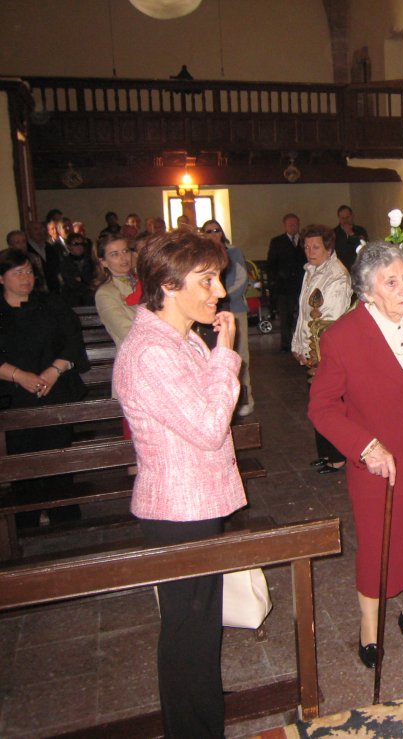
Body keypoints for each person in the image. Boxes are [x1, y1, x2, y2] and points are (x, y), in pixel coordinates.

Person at [114, 230, 245, 738]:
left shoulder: (180, 336)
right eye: (207, 280)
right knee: (189, 633)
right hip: (177, 510)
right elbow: (209, 427)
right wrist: (225, 352)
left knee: (199, 627)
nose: (220, 291)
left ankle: (201, 719)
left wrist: (213, 352)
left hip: (195, 504)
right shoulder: (151, 352)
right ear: (168, 285)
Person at [308, 241, 403, 669]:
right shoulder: (341, 337)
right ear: (367, 291)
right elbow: (321, 407)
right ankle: (369, 628)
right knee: (378, 546)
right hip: (377, 462)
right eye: (391, 282)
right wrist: (364, 445)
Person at [0, 248, 89, 524]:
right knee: (21, 461)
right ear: (1, 278)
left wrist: (53, 371)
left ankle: (64, 516)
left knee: (58, 458)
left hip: (55, 390)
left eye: (29, 271)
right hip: (12, 396)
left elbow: (73, 340)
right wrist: (19, 376)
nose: (26, 278)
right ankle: (25, 520)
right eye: (18, 273)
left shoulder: (51, 303)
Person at [291, 224, 352, 474]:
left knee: (330, 404)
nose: (310, 251)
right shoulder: (312, 271)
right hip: (312, 349)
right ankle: (325, 453)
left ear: (329, 248)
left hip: (326, 351)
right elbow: (304, 314)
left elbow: (329, 320)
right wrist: (298, 344)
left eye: (315, 247)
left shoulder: (337, 276)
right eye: (306, 247)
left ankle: (338, 456)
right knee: (317, 403)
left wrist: (315, 352)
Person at [202, 220, 254, 416]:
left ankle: (245, 399)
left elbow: (242, 279)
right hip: (208, 310)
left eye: (217, 230)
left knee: (240, 354)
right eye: (209, 231)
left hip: (234, 307)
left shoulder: (234, 252)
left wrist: (222, 296)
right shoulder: (200, 256)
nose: (213, 234)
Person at [266, 213, 307, 351]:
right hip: (284, 286)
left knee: (303, 314)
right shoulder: (277, 242)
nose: (293, 227)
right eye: (290, 225)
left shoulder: (304, 241)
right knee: (285, 317)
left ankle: (302, 342)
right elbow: (271, 264)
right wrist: (275, 281)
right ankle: (286, 344)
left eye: (295, 224)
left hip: (302, 285)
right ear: (285, 226)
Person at [59, 232, 96, 306]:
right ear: (69, 246)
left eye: (82, 244)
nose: (79, 246)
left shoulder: (91, 261)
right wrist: (83, 280)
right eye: (76, 244)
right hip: (72, 298)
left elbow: (93, 278)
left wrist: (81, 279)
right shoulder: (64, 262)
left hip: (89, 298)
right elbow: (69, 280)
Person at [332, 205, 369, 272]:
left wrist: (351, 233)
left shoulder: (360, 230)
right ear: (339, 218)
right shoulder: (333, 233)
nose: (345, 220)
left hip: (358, 269)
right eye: (343, 218)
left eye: (347, 217)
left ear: (352, 216)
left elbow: (364, 249)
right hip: (340, 270)